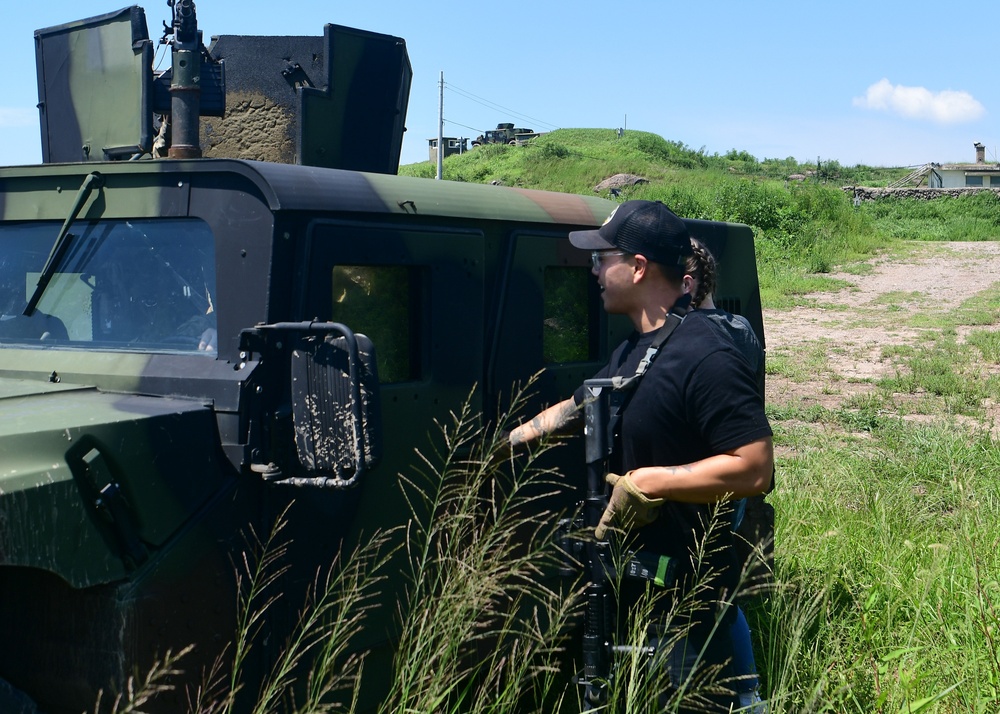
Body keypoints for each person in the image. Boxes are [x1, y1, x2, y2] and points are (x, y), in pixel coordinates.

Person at [508, 200, 773, 711]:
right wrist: (506, 445)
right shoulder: (639, 347)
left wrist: (651, 482)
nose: (593, 269)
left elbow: (755, 465)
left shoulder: (706, 354)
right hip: (639, 588)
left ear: (638, 266)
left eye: (602, 258)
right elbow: (588, 400)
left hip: (688, 605)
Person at [684, 236, 767, 711]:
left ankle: (744, 693)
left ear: (690, 282)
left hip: (706, 477)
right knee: (718, 584)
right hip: (731, 478)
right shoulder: (741, 329)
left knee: (714, 588)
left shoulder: (695, 335)